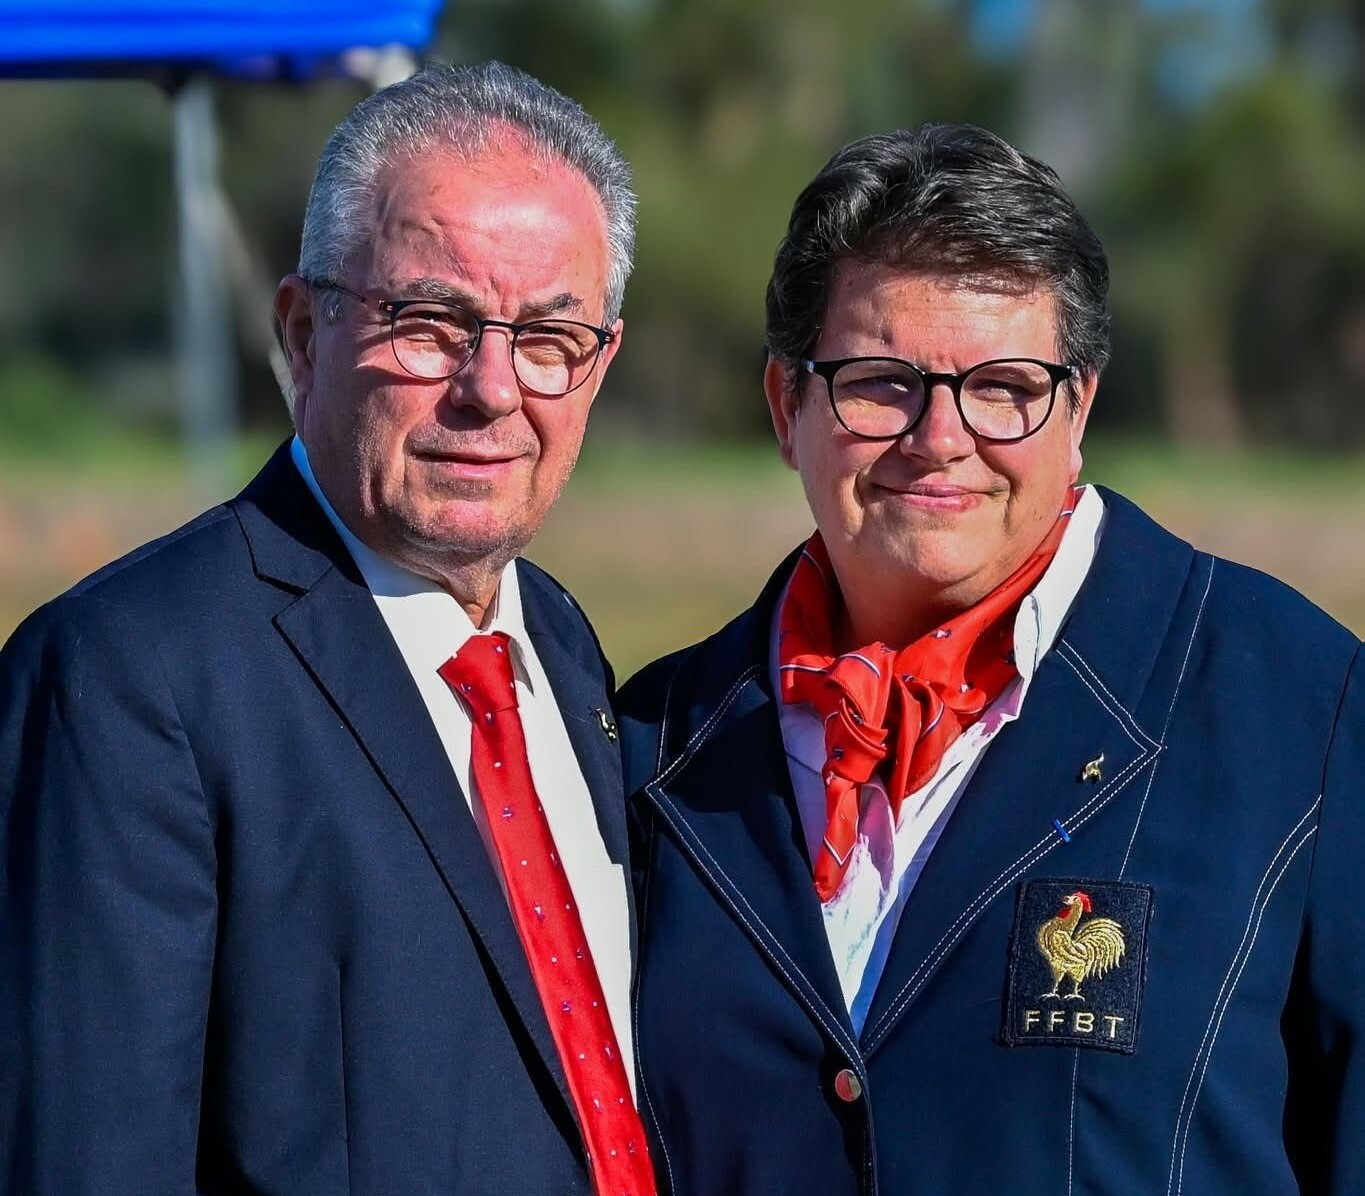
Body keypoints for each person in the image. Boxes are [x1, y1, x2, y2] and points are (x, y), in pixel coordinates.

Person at [619, 123, 1364, 1196]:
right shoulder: (652, 743)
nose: (940, 435)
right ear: (789, 407)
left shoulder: (1305, 709)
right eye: (880, 381)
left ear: (1080, 406)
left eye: (1005, 384)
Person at [1, 61, 657, 1196]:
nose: (492, 389)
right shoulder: (123, 674)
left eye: (550, 337)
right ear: (303, 333)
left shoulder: (557, 640)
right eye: (429, 321)